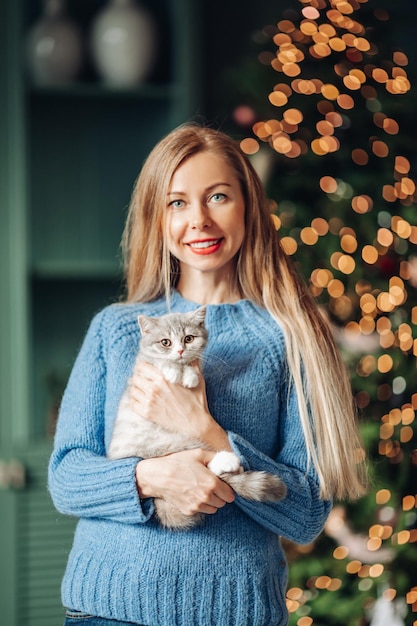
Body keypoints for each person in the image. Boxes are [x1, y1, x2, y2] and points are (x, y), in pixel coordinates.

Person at [48, 122, 367, 626]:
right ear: (157, 217)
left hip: (235, 613)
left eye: (217, 196)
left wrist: (210, 434)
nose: (198, 220)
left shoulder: (295, 337)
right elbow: (66, 477)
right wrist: (151, 477)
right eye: (177, 202)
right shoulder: (115, 329)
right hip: (105, 608)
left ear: (248, 206)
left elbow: (305, 514)